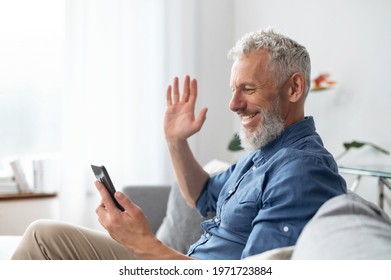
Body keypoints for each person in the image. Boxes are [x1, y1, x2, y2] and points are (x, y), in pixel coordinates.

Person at [11, 28, 346, 260]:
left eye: (248, 89)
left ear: (294, 88)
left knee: (43, 239)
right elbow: (203, 196)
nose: (233, 104)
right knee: (45, 236)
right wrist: (175, 141)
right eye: (233, 89)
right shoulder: (263, 155)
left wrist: (145, 244)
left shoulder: (302, 171)